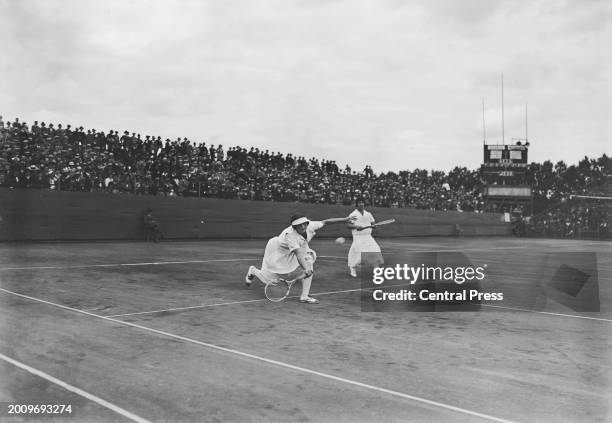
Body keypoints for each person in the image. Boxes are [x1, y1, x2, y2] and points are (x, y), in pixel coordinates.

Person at [245, 213, 355, 304]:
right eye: (299, 225)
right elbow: (298, 254)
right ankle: (253, 271)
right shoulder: (290, 235)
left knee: (309, 260)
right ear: (294, 227)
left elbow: (326, 221)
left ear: (307, 223)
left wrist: (344, 219)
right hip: (278, 253)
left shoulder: (310, 226)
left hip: (297, 249)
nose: (302, 227)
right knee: (271, 281)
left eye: (304, 224)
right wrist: (305, 269)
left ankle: (304, 296)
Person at [346, 198, 384, 277]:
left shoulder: (368, 214)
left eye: (362, 202)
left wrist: (374, 226)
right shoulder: (353, 214)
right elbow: (348, 225)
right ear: (357, 204)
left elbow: (373, 224)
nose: (361, 204)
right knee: (361, 256)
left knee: (376, 251)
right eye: (359, 202)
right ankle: (353, 267)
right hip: (358, 237)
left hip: (368, 237)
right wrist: (356, 226)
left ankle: (376, 273)